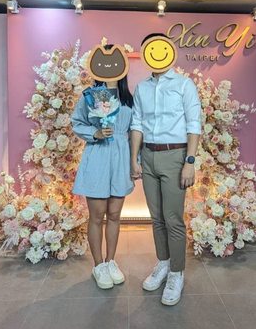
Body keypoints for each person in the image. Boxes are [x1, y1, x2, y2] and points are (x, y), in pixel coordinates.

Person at [130, 33, 202, 306]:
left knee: (173, 219)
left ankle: (176, 272)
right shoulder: (142, 88)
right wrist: (134, 159)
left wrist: (189, 162)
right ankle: (163, 263)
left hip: (175, 155)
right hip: (148, 155)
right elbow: (137, 123)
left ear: (169, 51)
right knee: (157, 218)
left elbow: (193, 124)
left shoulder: (184, 85)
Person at [71, 66, 134, 290]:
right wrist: (95, 133)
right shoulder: (91, 95)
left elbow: (135, 131)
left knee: (115, 214)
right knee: (97, 215)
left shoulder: (128, 98)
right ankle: (98, 265)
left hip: (120, 158)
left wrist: (135, 161)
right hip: (98, 155)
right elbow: (77, 122)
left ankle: (110, 261)